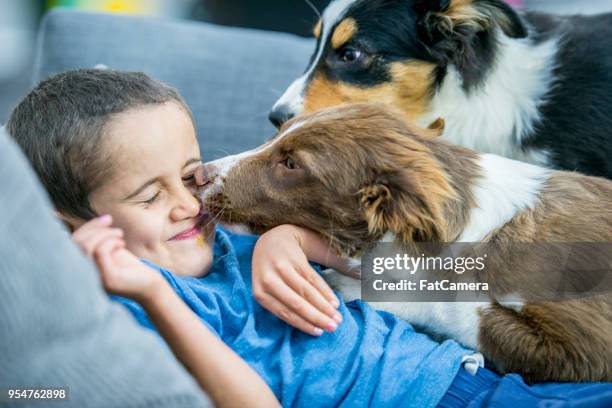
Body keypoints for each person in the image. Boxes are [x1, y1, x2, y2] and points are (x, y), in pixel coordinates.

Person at [7, 68, 612, 408]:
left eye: (189, 172)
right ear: (68, 230)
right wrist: (154, 296)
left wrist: (290, 241)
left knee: (577, 267)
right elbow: (38, 388)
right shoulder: (143, 303)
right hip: (456, 399)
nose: (192, 200)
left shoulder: (227, 238)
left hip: (481, 377)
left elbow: (578, 271)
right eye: (149, 196)